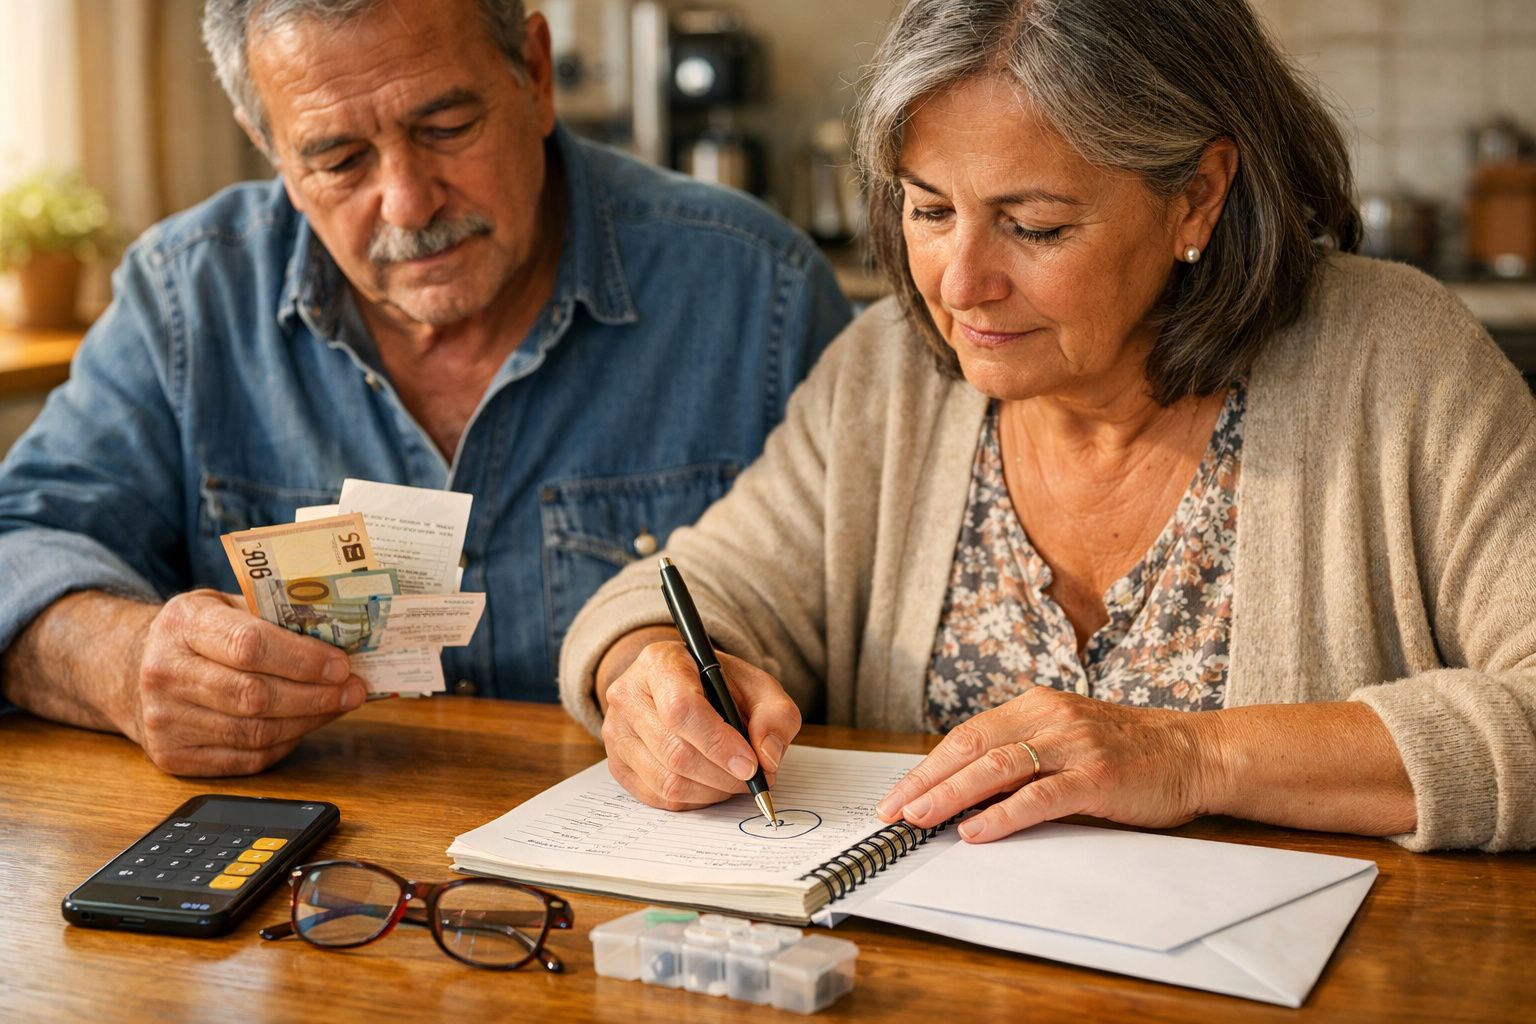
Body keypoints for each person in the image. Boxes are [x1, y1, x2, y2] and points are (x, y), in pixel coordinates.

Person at [561, 0, 1536, 852]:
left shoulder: (1400, 365)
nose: (959, 282)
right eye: (930, 209)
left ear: (1197, 195)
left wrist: (1193, 757)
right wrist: (645, 672)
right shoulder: (891, 376)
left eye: (1033, 226)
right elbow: (690, 594)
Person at [0, 0, 849, 776]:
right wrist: (123, 661)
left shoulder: (756, 294)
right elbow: (18, 546)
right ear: (273, 153)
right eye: (337, 158)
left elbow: (875, 628)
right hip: (307, 900)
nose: (407, 204)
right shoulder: (189, 300)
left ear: (536, 74)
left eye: (445, 125)